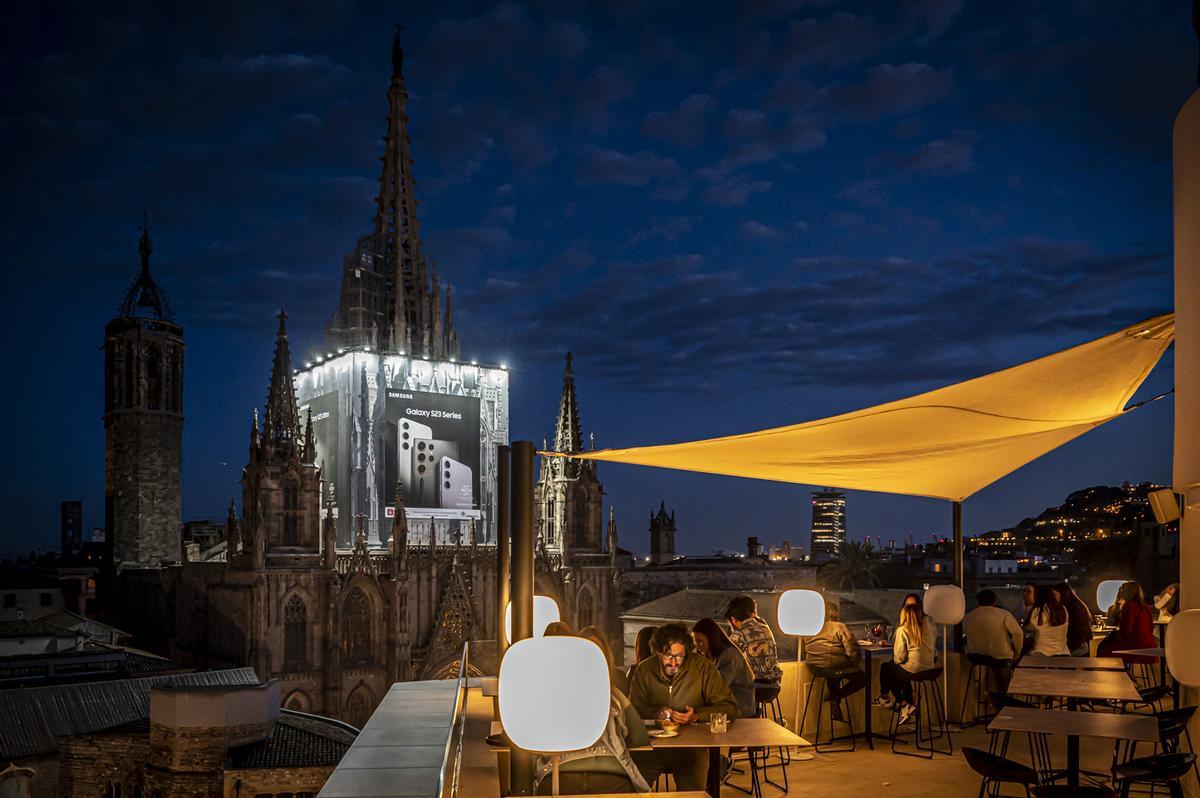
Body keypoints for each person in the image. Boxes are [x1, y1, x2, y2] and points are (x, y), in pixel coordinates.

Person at [534, 632, 650, 795]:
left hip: (559, 775)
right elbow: (640, 737)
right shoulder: (613, 695)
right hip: (611, 776)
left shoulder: (550, 694)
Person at [629, 623, 739, 791]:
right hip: (651, 747)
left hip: (692, 749)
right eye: (668, 655)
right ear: (658, 652)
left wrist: (696, 716)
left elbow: (729, 707)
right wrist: (655, 713)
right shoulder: (644, 669)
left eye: (679, 656)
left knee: (693, 793)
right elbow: (633, 711)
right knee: (630, 788)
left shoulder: (703, 667)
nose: (674, 662)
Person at [874, 601, 936, 725]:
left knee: (887, 667)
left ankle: (894, 700)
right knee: (897, 671)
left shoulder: (903, 630)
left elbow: (899, 658)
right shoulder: (928, 629)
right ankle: (902, 703)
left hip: (914, 670)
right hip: (930, 670)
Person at [804, 603, 867, 722]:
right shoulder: (838, 626)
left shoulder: (812, 627)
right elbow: (852, 649)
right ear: (835, 613)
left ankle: (834, 698)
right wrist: (855, 662)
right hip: (833, 667)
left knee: (834, 673)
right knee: (862, 678)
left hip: (814, 667)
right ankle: (836, 696)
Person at [692, 618, 757, 717]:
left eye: (700, 641)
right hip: (728, 708)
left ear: (711, 638)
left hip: (740, 710)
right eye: (695, 642)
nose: (698, 646)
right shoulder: (715, 656)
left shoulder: (729, 656)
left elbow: (717, 686)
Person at [962, 590, 1022, 689]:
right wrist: (1016, 652)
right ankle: (1003, 698)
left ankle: (989, 696)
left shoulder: (968, 616)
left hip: (974, 657)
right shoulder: (1004, 614)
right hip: (1000, 658)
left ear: (978, 602)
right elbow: (1018, 633)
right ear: (994, 602)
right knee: (1005, 679)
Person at [725, 595, 783, 692]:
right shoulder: (765, 627)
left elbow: (725, 656)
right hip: (775, 685)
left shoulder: (739, 633)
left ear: (733, 619)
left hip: (756, 687)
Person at [1098, 581, 1158, 664]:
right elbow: (1151, 627)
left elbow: (1125, 631)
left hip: (1135, 645)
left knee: (1102, 648)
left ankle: (1116, 674)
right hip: (1149, 645)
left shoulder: (1129, 606)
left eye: (1122, 589)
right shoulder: (1144, 606)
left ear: (1126, 591)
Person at [580, 625, 630, 697]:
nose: (592, 654)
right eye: (587, 649)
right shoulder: (573, 678)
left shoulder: (619, 677)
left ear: (605, 651)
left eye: (597, 648)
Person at [1028, 585, 1070, 656]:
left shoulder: (1038, 611)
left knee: (1022, 658)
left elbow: (1031, 628)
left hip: (1042, 652)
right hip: (1063, 652)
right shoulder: (1063, 609)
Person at [1056, 582, 1095, 657]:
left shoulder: (1075, 608)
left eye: (1055, 594)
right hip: (1077, 645)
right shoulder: (1073, 606)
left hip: (1079, 647)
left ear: (1063, 594)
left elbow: (1081, 632)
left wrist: (1069, 649)